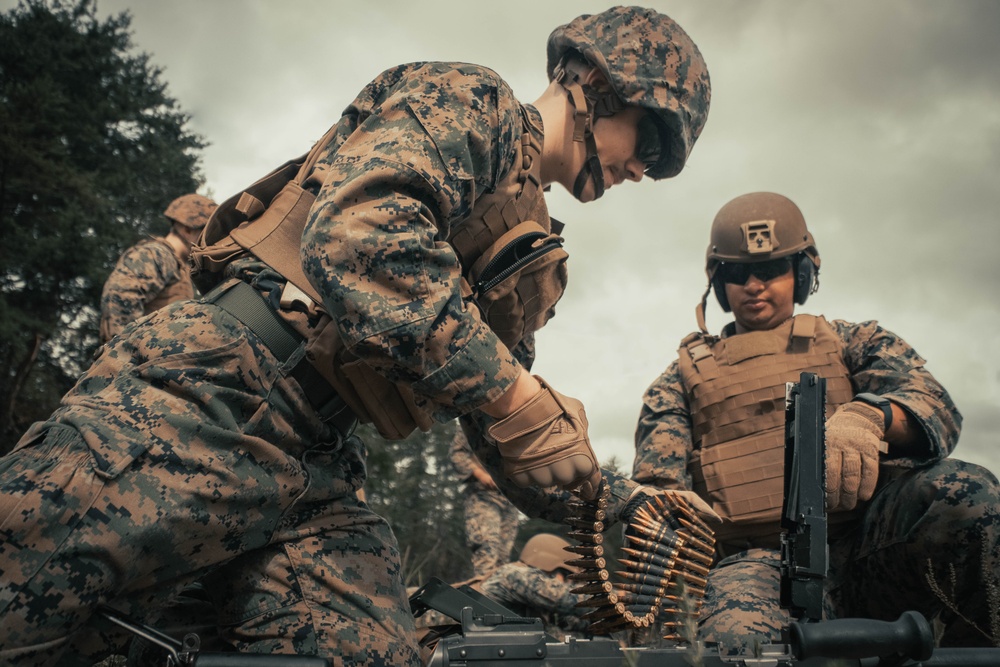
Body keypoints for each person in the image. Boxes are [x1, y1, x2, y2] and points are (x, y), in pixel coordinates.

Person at [0, 7, 711, 665]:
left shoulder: (531, 252)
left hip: (317, 461)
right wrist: (513, 391)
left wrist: (620, 501)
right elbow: (360, 235)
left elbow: (504, 432)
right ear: (595, 83)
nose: (643, 168)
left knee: (370, 647)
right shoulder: (475, 103)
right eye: (649, 138)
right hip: (209, 392)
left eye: (661, 160)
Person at [632, 191, 1000, 649]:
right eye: (737, 273)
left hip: (871, 548)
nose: (753, 284)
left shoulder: (853, 340)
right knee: (733, 636)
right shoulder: (678, 381)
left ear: (802, 273)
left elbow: (936, 407)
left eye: (770, 270)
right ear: (719, 284)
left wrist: (871, 416)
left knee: (967, 496)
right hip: (763, 570)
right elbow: (658, 500)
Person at [98, 193, 217, 342]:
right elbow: (119, 297)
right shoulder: (158, 255)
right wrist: (127, 351)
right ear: (187, 229)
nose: (210, 241)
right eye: (207, 233)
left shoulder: (180, 266)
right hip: (133, 361)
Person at [478, 533, 589, 640]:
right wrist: (601, 600)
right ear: (549, 566)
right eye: (565, 576)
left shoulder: (531, 595)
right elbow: (564, 598)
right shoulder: (516, 574)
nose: (567, 583)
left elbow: (563, 625)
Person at [450, 427, 520, 577]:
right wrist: (480, 474)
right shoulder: (474, 420)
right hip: (483, 496)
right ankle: (483, 597)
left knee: (503, 557)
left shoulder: (515, 424)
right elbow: (457, 454)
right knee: (486, 550)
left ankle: (496, 598)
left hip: (511, 498)